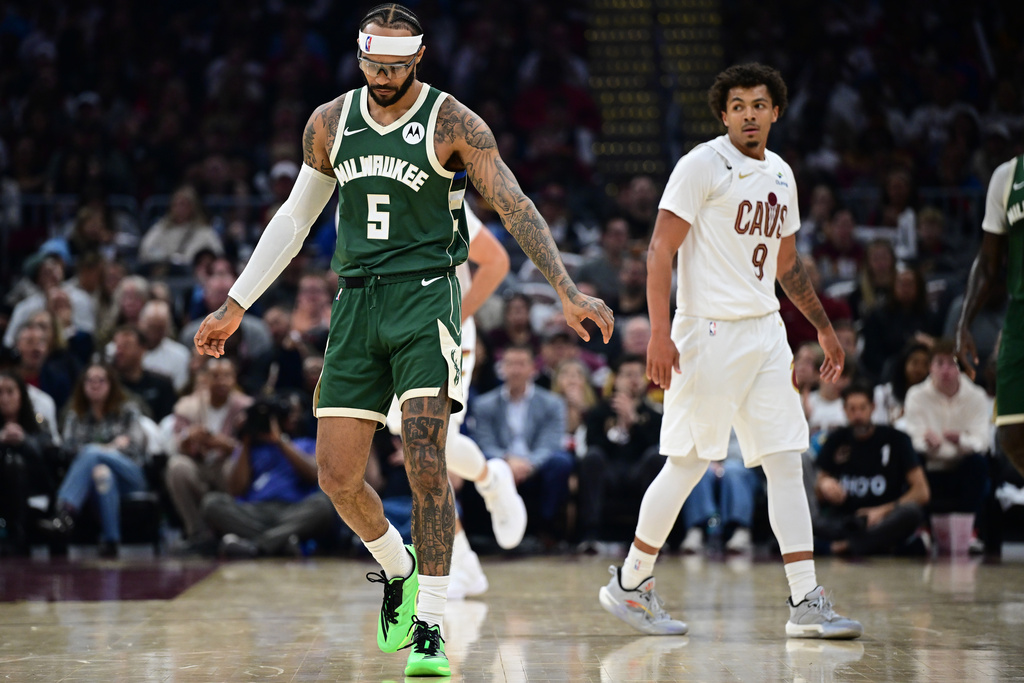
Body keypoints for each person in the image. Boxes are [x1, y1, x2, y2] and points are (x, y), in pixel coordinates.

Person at [191, 5, 613, 677]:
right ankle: (398, 565)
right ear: (358, 57)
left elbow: (513, 204)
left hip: (428, 298)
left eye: (394, 65)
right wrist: (236, 303)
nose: (382, 75)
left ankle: (431, 627)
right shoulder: (330, 122)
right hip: (357, 303)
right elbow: (295, 219)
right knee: (336, 475)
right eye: (372, 63)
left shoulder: (453, 121)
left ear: (418, 60)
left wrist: (564, 287)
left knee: (425, 454)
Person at [598, 63, 861, 639]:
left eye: (758, 104)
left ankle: (805, 601)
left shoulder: (784, 175)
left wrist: (821, 327)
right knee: (689, 463)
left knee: (787, 459)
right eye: (737, 105)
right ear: (724, 115)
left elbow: (787, 266)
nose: (748, 113)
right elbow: (660, 252)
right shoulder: (700, 165)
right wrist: (661, 331)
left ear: (775, 111)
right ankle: (631, 583)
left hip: (766, 331)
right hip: (707, 331)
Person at [202, 396, 339, 558]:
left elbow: (313, 475)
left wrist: (279, 440)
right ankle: (280, 542)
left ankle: (256, 547)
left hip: (293, 510)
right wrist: (246, 439)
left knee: (323, 504)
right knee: (211, 503)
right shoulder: (246, 449)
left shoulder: (303, 443)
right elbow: (236, 489)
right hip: (254, 512)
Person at [956, 152, 1024, 478]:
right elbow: (987, 261)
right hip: (1020, 313)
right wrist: (964, 324)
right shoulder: (1008, 176)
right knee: (1012, 435)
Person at [470, 345, 575, 545]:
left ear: (532, 368)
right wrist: (508, 461)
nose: (516, 370)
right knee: (476, 462)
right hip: (501, 461)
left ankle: (545, 528)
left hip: (536, 462)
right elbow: (484, 441)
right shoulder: (484, 404)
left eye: (521, 364)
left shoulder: (552, 403)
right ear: (501, 368)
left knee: (561, 462)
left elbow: (551, 442)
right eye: (510, 364)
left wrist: (528, 464)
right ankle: (487, 532)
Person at [41, 363, 149, 558]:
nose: (95, 384)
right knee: (101, 473)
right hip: (94, 478)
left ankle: (64, 513)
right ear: (82, 386)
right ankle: (111, 540)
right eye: (90, 380)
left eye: (101, 380)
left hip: (131, 475)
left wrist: (100, 450)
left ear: (111, 384)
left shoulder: (127, 411)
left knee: (91, 453)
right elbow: (68, 452)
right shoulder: (76, 416)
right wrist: (113, 447)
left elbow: (135, 447)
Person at [813, 384, 930, 556]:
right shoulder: (835, 440)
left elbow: (922, 492)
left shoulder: (896, 439)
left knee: (911, 513)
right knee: (807, 520)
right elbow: (817, 492)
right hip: (845, 520)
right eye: (852, 409)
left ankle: (843, 547)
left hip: (884, 518)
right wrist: (824, 484)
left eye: (862, 408)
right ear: (844, 410)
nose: (858, 415)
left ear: (873, 407)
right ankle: (878, 546)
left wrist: (883, 510)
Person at [577, 354, 663, 551]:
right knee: (592, 458)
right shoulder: (599, 412)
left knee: (656, 457)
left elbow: (654, 445)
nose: (633, 380)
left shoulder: (655, 414)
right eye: (627, 374)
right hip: (609, 470)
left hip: (638, 470)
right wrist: (619, 424)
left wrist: (633, 421)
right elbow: (593, 445)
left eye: (639, 374)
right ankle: (590, 535)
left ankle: (653, 536)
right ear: (616, 379)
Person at [166, 358, 252, 551]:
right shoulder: (187, 405)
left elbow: (254, 448)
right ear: (205, 378)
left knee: (235, 465)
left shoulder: (246, 407)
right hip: (199, 464)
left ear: (235, 379)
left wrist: (227, 445)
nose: (222, 381)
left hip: (227, 465)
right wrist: (189, 438)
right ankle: (198, 533)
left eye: (227, 376)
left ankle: (236, 530)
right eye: (215, 376)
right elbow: (175, 443)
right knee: (177, 466)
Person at [903, 339, 991, 517]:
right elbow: (913, 440)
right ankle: (921, 528)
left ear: (962, 367)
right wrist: (930, 445)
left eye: (952, 363)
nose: (945, 370)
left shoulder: (977, 396)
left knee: (978, 464)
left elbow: (982, 443)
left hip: (961, 468)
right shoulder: (916, 396)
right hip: (929, 467)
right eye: (940, 363)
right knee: (911, 461)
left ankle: (969, 527)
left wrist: (960, 440)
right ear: (931, 367)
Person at [0, 369, 56, 556]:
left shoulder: (39, 425)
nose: (5, 398)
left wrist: (24, 441)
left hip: (33, 491)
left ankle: (17, 534)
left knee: (15, 464)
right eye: (0, 393)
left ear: (21, 395)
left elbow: (48, 458)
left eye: (10, 392)